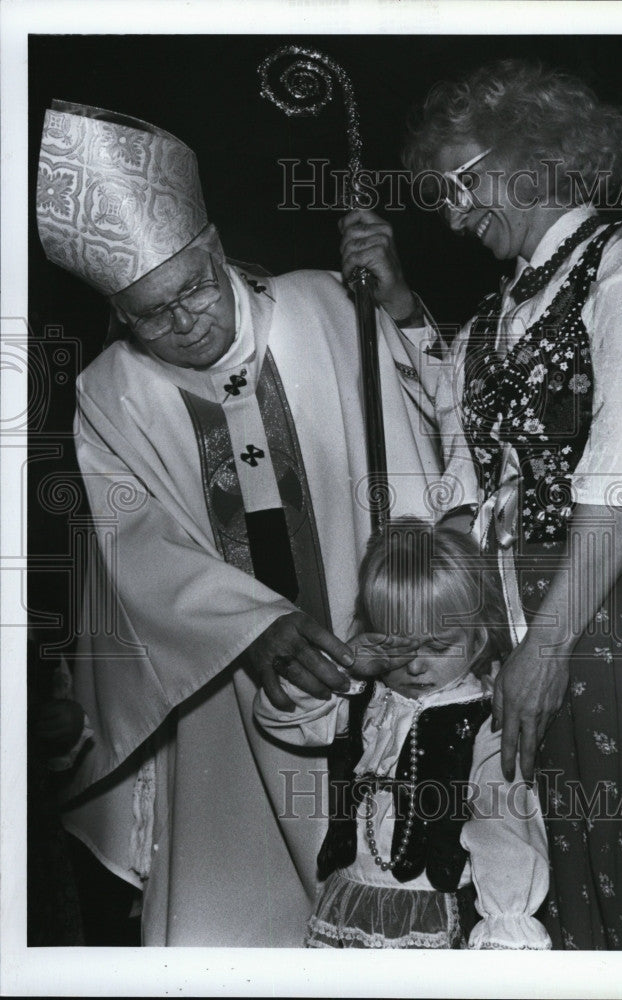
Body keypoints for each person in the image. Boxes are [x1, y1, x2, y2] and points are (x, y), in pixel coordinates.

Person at [35, 100, 444, 945]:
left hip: (393, 651)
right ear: (121, 315)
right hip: (225, 688)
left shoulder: (328, 305)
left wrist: (399, 311)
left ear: (216, 251)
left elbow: (444, 421)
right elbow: (130, 542)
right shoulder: (110, 393)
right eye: (155, 313)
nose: (186, 320)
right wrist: (250, 626)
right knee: (238, 911)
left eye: (193, 288)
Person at [339, 60, 622, 949]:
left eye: (458, 184)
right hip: (523, 630)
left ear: (529, 157)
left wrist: (552, 644)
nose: (448, 211)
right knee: (539, 858)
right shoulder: (500, 309)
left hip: (616, 620)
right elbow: (466, 453)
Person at [254, 517, 552, 949]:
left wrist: (506, 925)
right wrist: (344, 666)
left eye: (437, 646)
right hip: (348, 900)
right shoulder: (358, 697)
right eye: (397, 646)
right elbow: (279, 713)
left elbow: (503, 825)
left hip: (433, 907)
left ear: (477, 639)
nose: (415, 666)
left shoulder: (484, 720)